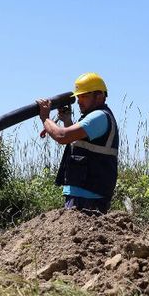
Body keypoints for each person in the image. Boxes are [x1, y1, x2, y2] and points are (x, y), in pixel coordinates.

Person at [37, 72, 119, 213]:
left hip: (89, 196)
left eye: (84, 96)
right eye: (78, 96)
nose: (79, 101)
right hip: (83, 192)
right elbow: (79, 142)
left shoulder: (99, 117)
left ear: (99, 96)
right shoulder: (93, 117)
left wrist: (45, 118)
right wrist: (67, 121)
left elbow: (62, 136)